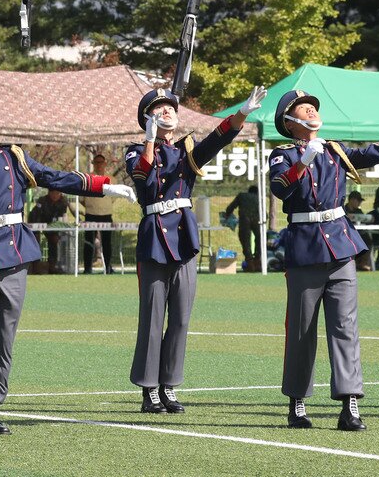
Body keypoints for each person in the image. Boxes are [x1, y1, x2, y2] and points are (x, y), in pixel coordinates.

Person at [0, 98, 135, 434]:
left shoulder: (12, 155)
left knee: (4, 335)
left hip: (13, 251)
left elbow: (53, 177)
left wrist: (102, 184)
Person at [267, 88, 379, 431]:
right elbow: (279, 188)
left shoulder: (334, 150)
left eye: (311, 108)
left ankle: (350, 403)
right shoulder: (283, 153)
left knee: (345, 328)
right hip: (305, 248)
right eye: (303, 110)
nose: (311, 113)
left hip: (340, 246)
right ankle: (298, 402)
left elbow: (374, 152)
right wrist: (303, 161)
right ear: (290, 123)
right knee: (302, 330)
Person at [126, 85, 265, 414]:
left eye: (170, 107)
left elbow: (215, 141)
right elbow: (143, 178)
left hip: (183, 237)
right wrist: (149, 138)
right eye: (158, 108)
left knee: (181, 318)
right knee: (152, 318)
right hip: (154, 238)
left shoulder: (186, 150)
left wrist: (241, 114)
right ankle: (149, 390)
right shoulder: (134, 150)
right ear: (146, 118)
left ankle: (169, 385)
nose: (167, 111)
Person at [79, 153, 120, 274]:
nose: (99, 165)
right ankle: (87, 268)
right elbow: (82, 199)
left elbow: (114, 197)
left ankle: (108, 267)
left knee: (107, 243)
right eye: (96, 162)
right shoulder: (87, 179)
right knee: (88, 243)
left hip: (106, 214)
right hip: (90, 214)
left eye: (101, 162)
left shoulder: (112, 179)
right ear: (93, 164)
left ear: (105, 164)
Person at [27, 188, 74, 273]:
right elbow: (35, 215)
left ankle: (52, 266)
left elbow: (61, 216)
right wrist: (37, 229)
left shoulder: (63, 202)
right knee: (35, 241)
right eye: (53, 193)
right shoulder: (42, 200)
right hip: (36, 223)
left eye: (58, 193)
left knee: (54, 240)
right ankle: (34, 267)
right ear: (49, 193)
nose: (55, 195)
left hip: (52, 225)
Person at [221, 185, 261, 269]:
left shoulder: (241, 196)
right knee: (259, 239)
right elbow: (264, 212)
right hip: (257, 220)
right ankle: (258, 261)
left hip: (244, 220)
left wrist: (227, 214)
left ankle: (250, 262)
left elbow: (231, 207)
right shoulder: (258, 198)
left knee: (245, 240)